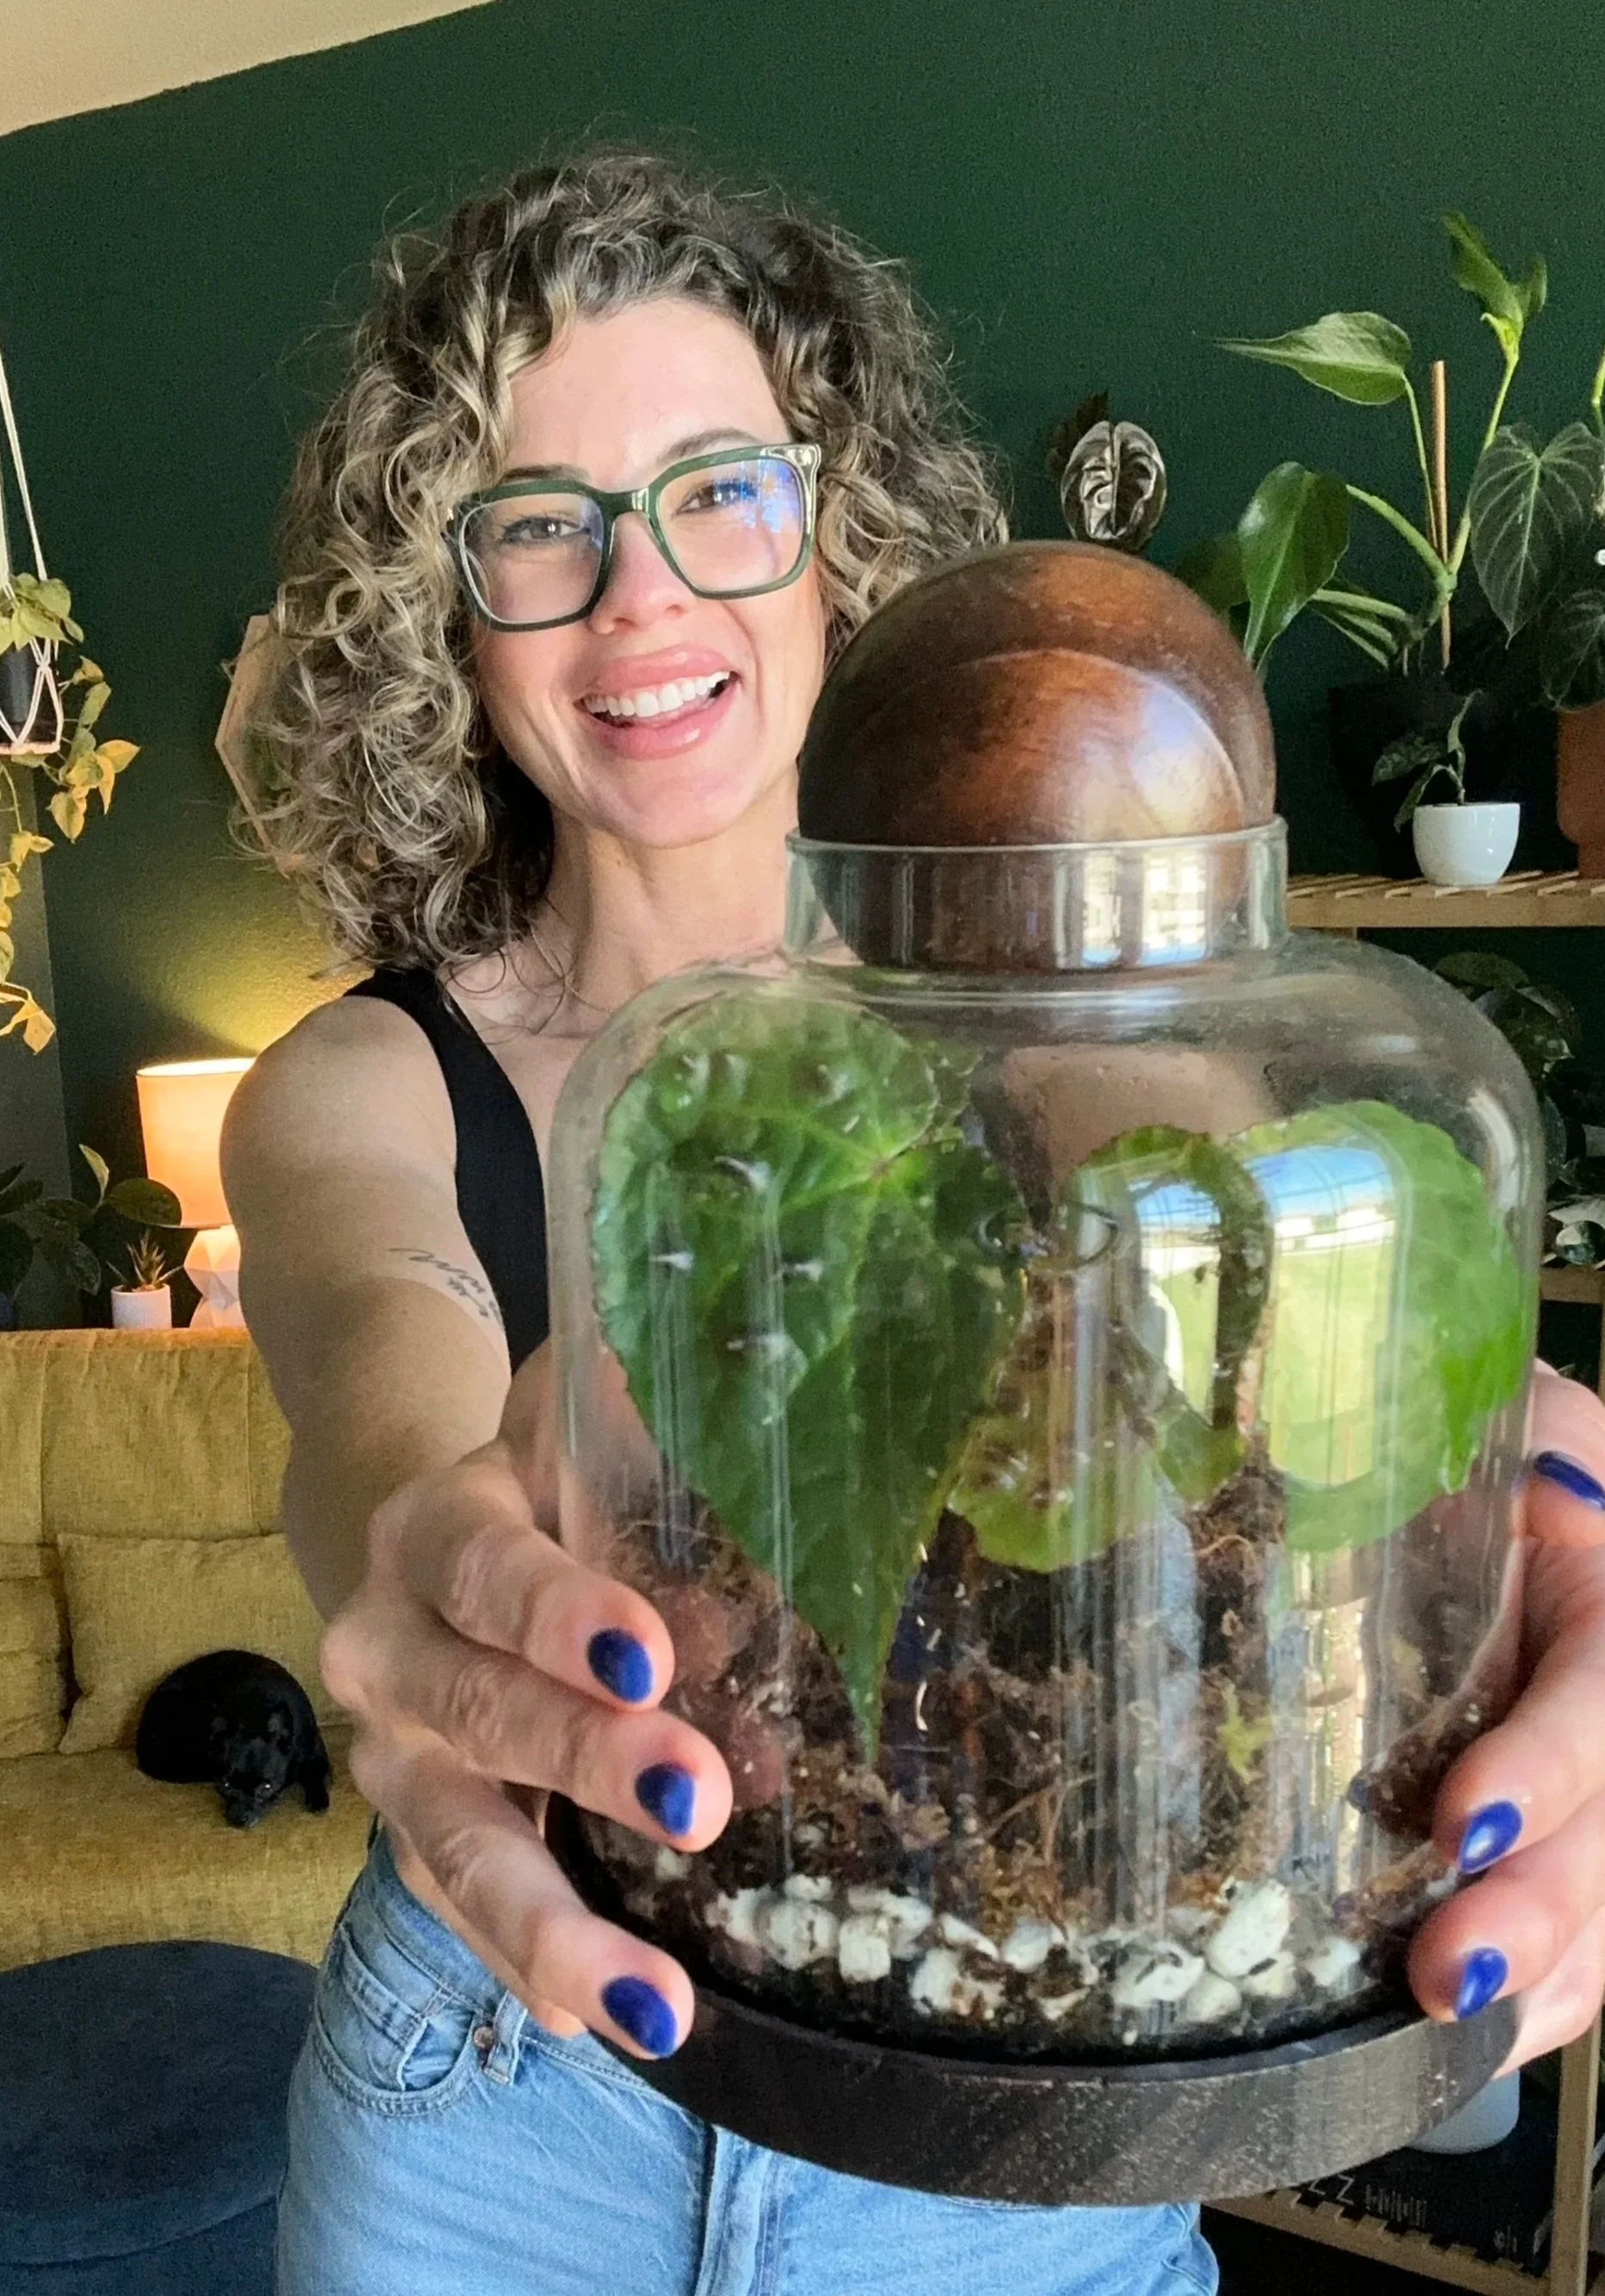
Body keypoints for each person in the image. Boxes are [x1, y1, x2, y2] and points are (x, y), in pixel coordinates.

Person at [225, 151, 1605, 2296]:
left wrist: (1544, 1505)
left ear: (838, 533)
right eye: (534, 527)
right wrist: (451, 1557)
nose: (637, 599)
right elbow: (377, 1374)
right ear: (442, 610)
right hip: (498, 2086)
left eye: (720, 491)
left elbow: (1314, 1313)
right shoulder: (361, 1080)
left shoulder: (1073, 1064)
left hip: (995, 2141)